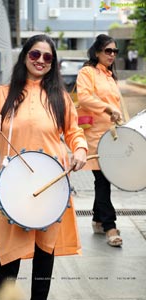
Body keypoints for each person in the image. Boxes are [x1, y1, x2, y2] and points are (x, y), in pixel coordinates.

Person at [0, 34, 88, 300]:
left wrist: (80, 150)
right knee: (7, 263)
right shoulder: (2, 94)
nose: (41, 60)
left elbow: (74, 132)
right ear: (24, 57)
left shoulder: (60, 98)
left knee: (44, 258)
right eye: (35, 54)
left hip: (51, 187)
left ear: (53, 63)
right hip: (14, 190)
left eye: (47, 57)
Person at [76, 34, 123, 247]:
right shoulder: (88, 72)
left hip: (112, 135)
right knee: (103, 180)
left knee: (104, 180)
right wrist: (108, 108)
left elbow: (118, 106)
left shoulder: (110, 76)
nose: (112, 54)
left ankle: (97, 219)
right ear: (97, 52)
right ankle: (110, 226)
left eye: (115, 51)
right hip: (95, 136)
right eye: (108, 51)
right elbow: (84, 97)